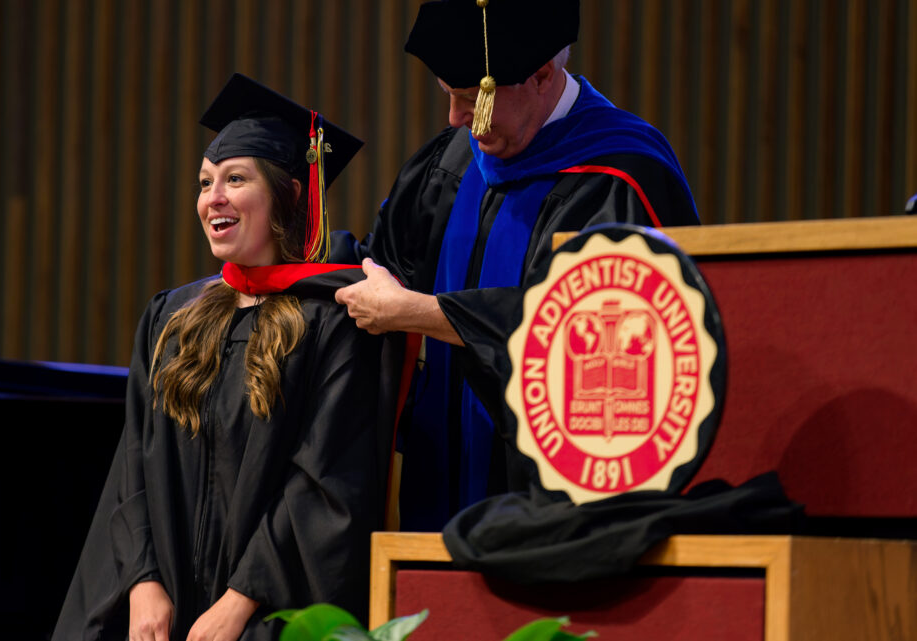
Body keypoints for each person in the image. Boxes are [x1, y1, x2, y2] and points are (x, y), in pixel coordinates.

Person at [334, 0, 701, 531]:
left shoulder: (622, 175)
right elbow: (379, 266)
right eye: (449, 94)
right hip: (435, 490)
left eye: (471, 98)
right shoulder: (450, 162)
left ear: (542, 75)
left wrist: (423, 313)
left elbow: (597, 337)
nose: (456, 118)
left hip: (563, 516)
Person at [53, 73, 395, 641]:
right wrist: (142, 581)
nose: (213, 197)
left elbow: (324, 481)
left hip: (262, 610)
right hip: (159, 606)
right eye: (205, 182)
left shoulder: (333, 321)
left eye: (235, 179)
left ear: (289, 195)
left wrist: (238, 603)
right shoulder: (172, 317)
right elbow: (133, 462)